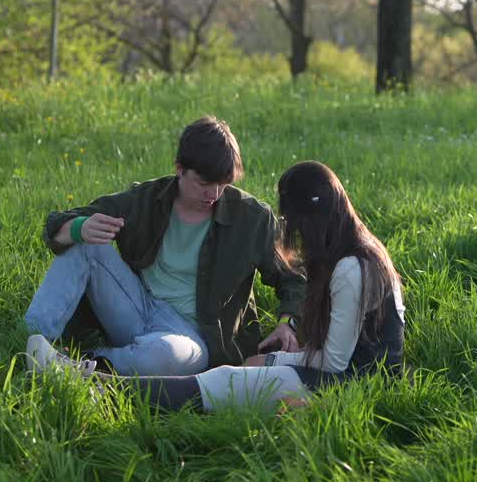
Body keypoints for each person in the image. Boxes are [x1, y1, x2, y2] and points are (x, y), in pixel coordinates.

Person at [24, 160, 406, 412]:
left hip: (348, 390)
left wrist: (282, 352)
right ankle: (56, 355)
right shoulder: (360, 251)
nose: (294, 234)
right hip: (345, 378)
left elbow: (336, 364)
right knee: (240, 372)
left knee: (221, 381)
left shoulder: (351, 268)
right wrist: (270, 358)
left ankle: (90, 383)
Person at [22, 116, 304, 376]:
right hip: (136, 307)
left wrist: (287, 322)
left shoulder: (253, 217)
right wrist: (78, 228)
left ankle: (80, 362)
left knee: (165, 357)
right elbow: (58, 222)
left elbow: (294, 276)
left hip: (193, 338)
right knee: (84, 240)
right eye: (204, 183)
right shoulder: (147, 198)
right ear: (180, 169)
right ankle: (31, 343)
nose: (214, 194)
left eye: (223, 184)